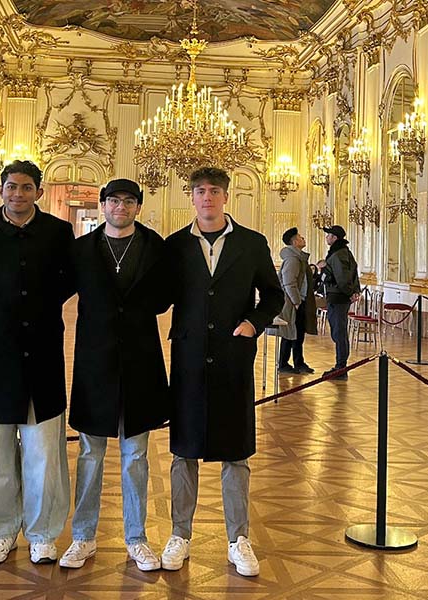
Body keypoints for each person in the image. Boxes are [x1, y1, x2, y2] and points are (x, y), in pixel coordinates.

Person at [160, 166, 283, 577]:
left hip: (233, 358)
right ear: (190, 197)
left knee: (236, 452)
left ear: (226, 197)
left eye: (214, 190)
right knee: (184, 451)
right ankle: (180, 534)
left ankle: (238, 539)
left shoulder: (251, 244)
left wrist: (253, 323)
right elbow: (160, 296)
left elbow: (273, 294)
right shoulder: (175, 245)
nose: (207, 197)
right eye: (199, 191)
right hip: (190, 357)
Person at [0, 160, 75, 565]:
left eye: (27, 187)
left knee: (44, 450)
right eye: (11, 187)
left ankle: (43, 531)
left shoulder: (59, 233)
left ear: (39, 192)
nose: (18, 194)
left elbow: (70, 280)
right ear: (1, 190)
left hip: (43, 351)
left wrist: (42, 306)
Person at [59, 179, 170, 572]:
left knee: (136, 455)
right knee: (90, 453)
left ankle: (136, 538)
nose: (120, 207)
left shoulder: (156, 246)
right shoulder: (82, 249)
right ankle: (83, 537)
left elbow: (166, 296)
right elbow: (55, 291)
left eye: (128, 201)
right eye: (113, 200)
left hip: (141, 360)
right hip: (95, 359)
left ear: (137, 206)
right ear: (103, 205)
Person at [316, 225, 361, 380]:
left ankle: (341, 368)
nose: (326, 237)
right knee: (339, 331)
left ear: (334, 237)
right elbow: (354, 272)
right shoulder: (343, 252)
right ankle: (340, 366)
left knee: (338, 332)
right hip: (340, 297)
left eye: (328, 235)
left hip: (338, 298)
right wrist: (355, 291)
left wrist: (350, 293)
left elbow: (343, 278)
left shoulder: (338, 254)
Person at [276, 227, 318, 375]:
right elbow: (289, 282)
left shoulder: (298, 258)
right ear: (294, 242)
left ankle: (298, 362)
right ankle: (284, 363)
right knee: (291, 333)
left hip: (298, 300)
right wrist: (296, 301)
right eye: (300, 237)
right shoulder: (293, 260)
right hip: (294, 302)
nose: (303, 239)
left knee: (297, 334)